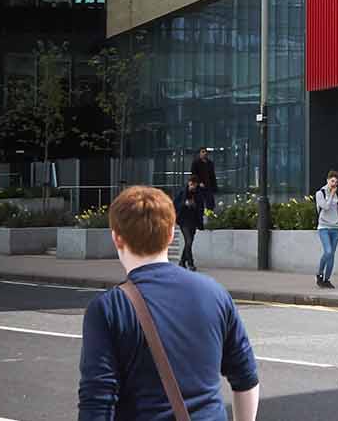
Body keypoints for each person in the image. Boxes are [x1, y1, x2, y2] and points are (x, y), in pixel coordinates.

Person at [78, 186, 259, 421]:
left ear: (117, 238)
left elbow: (97, 402)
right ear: (171, 234)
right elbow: (245, 378)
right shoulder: (214, 292)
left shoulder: (108, 308)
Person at [313, 171, 338, 289]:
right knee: (328, 251)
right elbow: (325, 207)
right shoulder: (320, 193)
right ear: (327, 180)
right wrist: (331, 195)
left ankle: (327, 279)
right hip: (324, 227)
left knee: (332, 255)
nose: (334, 184)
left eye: (336, 182)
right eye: (332, 181)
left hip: (335, 228)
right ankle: (319, 273)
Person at [172, 177, 206, 271]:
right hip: (183, 221)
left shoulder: (198, 194)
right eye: (191, 184)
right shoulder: (182, 192)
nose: (192, 186)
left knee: (189, 243)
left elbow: (201, 208)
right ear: (188, 183)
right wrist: (184, 204)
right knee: (189, 241)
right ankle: (191, 263)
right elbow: (175, 205)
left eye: (194, 185)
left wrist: (194, 205)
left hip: (193, 221)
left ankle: (182, 262)